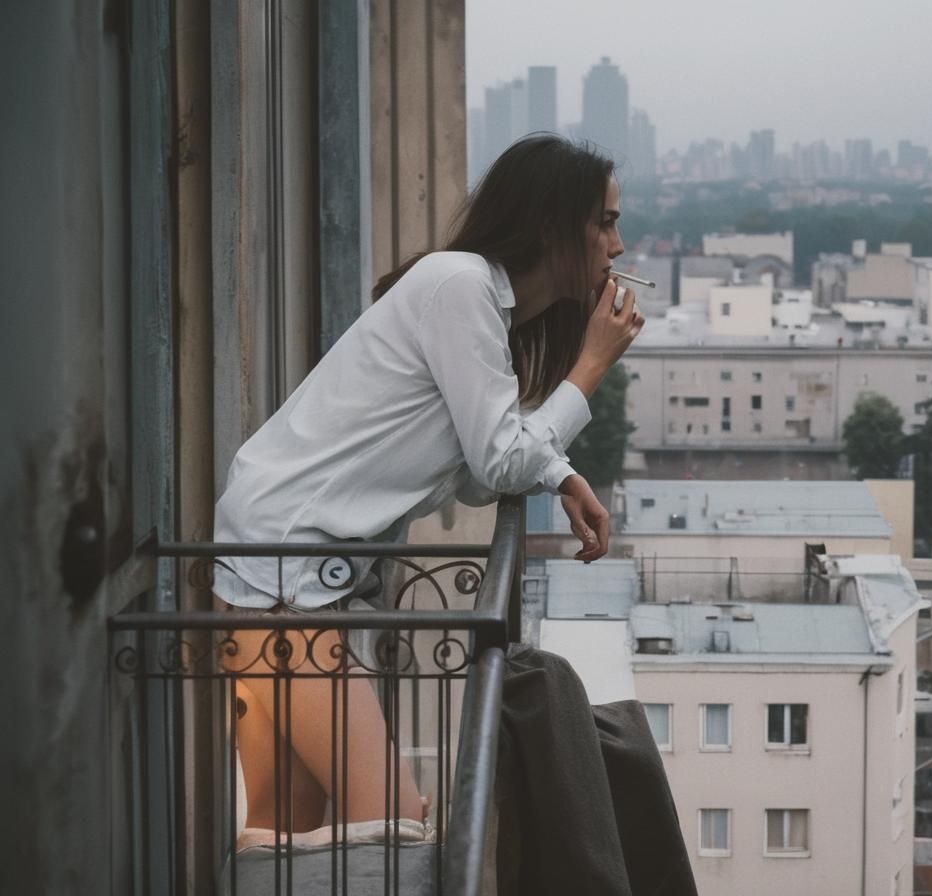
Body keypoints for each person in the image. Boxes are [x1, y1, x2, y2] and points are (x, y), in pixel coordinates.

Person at [212, 134, 644, 834]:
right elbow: (502, 463)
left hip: (272, 564)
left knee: (285, 826)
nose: (619, 246)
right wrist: (592, 364)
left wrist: (561, 473)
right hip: (281, 577)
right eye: (606, 222)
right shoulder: (460, 285)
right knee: (392, 822)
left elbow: (479, 470)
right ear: (551, 226)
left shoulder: (476, 303)